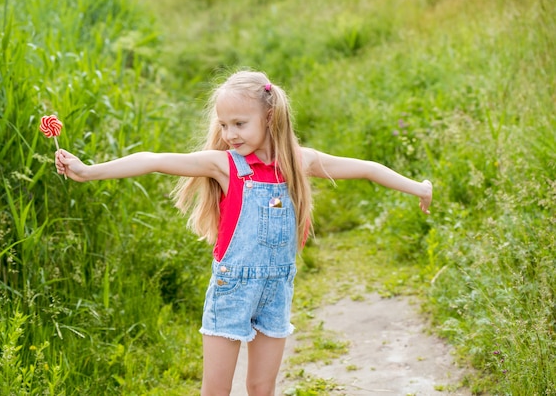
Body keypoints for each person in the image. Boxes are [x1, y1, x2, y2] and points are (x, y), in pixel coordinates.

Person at [55, 70, 433, 396]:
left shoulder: (300, 162)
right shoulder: (225, 165)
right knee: (216, 391)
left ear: (270, 117)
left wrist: (418, 187)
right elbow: (154, 161)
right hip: (231, 289)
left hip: (276, 289)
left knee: (261, 388)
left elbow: (367, 168)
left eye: (239, 124)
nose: (229, 133)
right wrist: (89, 170)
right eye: (223, 125)